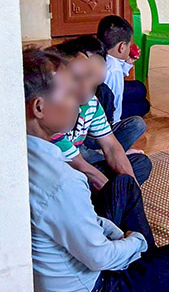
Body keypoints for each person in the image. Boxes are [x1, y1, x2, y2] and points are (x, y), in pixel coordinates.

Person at [24, 48, 169, 292]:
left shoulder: (22, 151)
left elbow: (70, 220)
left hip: (61, 277)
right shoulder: (62, 179)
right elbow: (99, 257)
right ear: (39, 108)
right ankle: (160, 281)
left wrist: (114, 233)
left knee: (124, 184)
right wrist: (135, 241)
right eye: (70, 94)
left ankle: (157, 274)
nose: (78, 100)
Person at [49, 36, 152, 187]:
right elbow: (78, 164)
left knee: (140, 164)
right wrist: (114, 192)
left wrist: (130, 191)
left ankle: (101, 196)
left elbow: (111, 146)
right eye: (76, 78)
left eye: (89, 75)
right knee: (79, 176)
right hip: (61, 174)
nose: (85, 85)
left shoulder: (91, 101)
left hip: (80, 160)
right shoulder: (53, 110)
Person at [98, 15, 150, 121]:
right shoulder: (114, 69)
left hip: (99, 98)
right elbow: (113, 102)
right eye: (128, 44)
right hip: (104, 110)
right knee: (143, 105)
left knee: (139, 88)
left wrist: (127, 63)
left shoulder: (97, 53)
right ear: (122, 47)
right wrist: (115, 123)